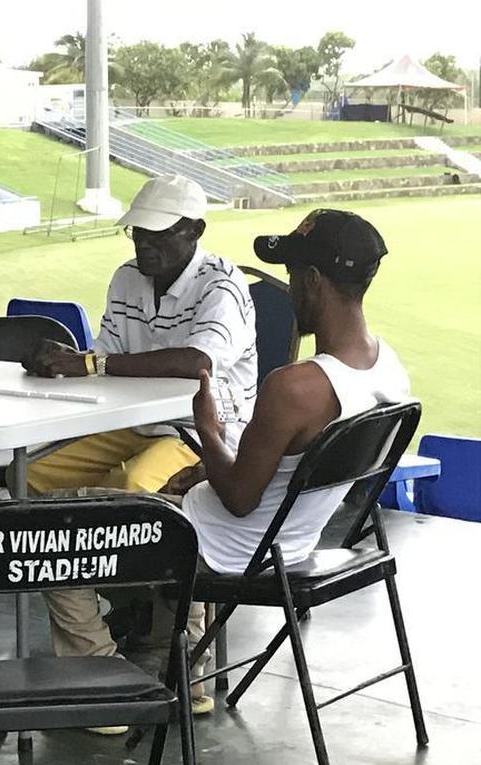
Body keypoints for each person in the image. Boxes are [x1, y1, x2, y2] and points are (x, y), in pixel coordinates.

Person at [19, 174, 258, 714]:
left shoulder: (223, 286)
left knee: (126, 493)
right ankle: (121, 628)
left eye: (157, 235)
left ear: (195, 230)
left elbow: (197, 364)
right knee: (25, 483)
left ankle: (176, 652)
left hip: (207, 435)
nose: (143, 245)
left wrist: (90, 363)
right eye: (137, 235)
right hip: (135, 424)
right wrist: (68, 364)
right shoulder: (127, 278)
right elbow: (106, 361)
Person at [174, 209, 409, 574]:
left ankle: (105, 634)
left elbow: (239, 498)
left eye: (292, 275)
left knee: (68, 528)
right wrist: (212, 468)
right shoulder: (391, 371)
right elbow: (286, 475)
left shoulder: (294, 388)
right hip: (289, 549)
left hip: (215, 544)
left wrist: (208, 430)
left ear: (313, 280)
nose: (289, 288)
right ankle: (170, 629)